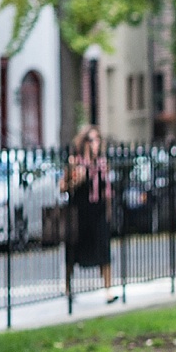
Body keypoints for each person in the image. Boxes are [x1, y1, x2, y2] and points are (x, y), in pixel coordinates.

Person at [62, 126, 116, 304]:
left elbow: (107, 190)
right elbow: (62, 187)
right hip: (79, 212)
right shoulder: (74, 162)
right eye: (92, 140)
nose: (96, 144)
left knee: (103, 249)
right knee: (73, 251)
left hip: (98, 211)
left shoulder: (102, 163)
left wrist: (108, 211)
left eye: (98, 139)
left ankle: (108, 289)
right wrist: (77, 180)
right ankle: (68, 287)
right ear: (84, 142)